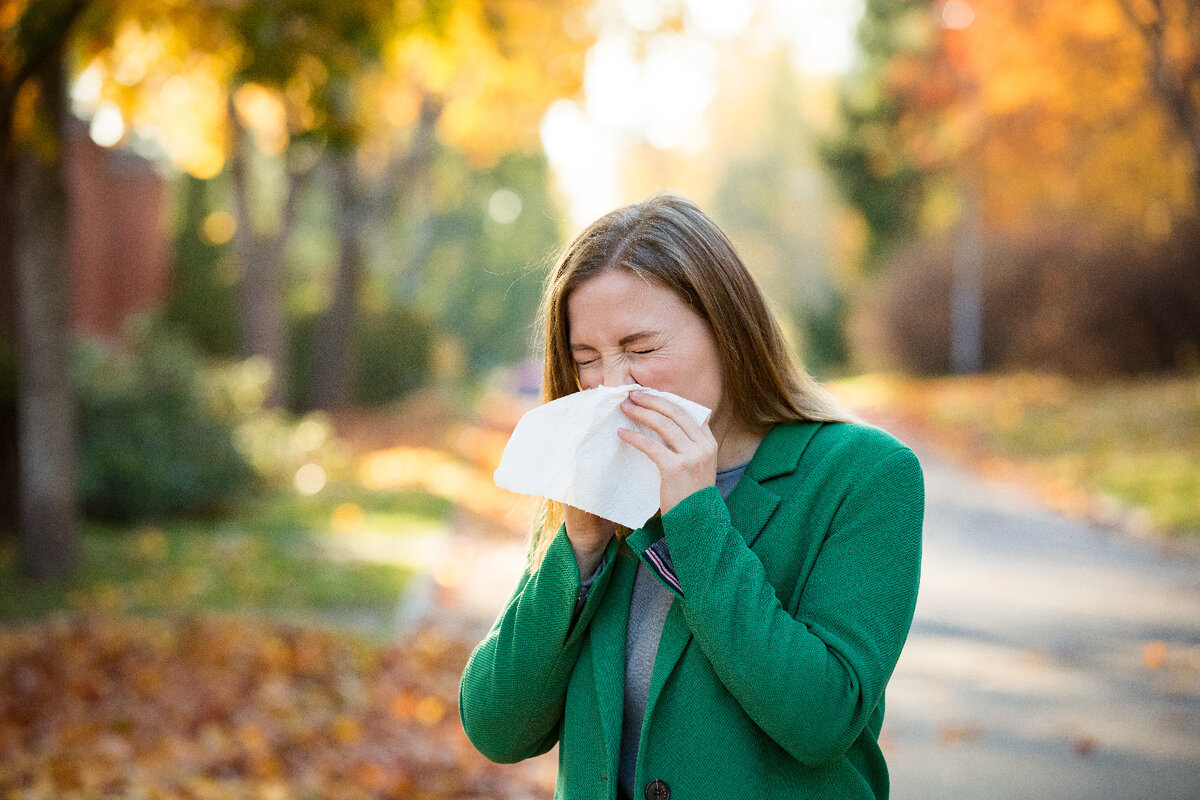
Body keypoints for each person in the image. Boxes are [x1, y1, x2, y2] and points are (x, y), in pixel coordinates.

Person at [459, 194, 923, 799]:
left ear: (728, 331)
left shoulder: (863, 475)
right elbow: (498, 727)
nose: (613, 384)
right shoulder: (592, 486)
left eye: (642, 348)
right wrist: (578, 548)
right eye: (586, 359)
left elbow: (822, 720)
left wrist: (696, 520)